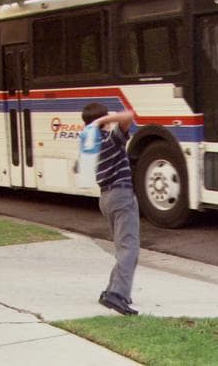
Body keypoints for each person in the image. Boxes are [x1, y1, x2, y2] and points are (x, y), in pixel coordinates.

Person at [79, 102, 140, 316]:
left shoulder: (89, 143)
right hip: (121, 196)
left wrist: (95, 123)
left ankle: (111, 291)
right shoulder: (109, 139)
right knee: (129, 248)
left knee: (123, 247)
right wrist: (103, 120)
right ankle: (117, 295)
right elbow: (129, 115)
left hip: (106, 198)